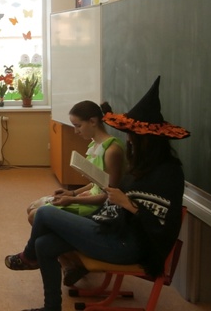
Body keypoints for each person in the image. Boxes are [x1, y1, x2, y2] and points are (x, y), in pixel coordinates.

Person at [5, 76, 188, 311]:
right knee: (44, 244)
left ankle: (28, 258)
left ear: (148, 141)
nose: (129, 140)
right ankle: (51, 306)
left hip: (128, 245)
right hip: (111, 229)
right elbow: (119, 196)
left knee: (44, 214)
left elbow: (163, 224)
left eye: (133, 136)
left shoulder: (168, 173)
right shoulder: (141, 166)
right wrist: (103, 197)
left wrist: (128, 204)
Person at [26, 101, 125, 285]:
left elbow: (109, 196)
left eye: (78, 126)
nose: (76, 131)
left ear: (93, 121)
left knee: (35, 215)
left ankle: (72, 262)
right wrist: (72, 194)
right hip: (87, 199)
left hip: (96, 208)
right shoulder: (96, 145)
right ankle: (70, 262)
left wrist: (73, 200)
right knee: (31, 207)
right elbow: (97, 183)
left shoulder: (112, 151)